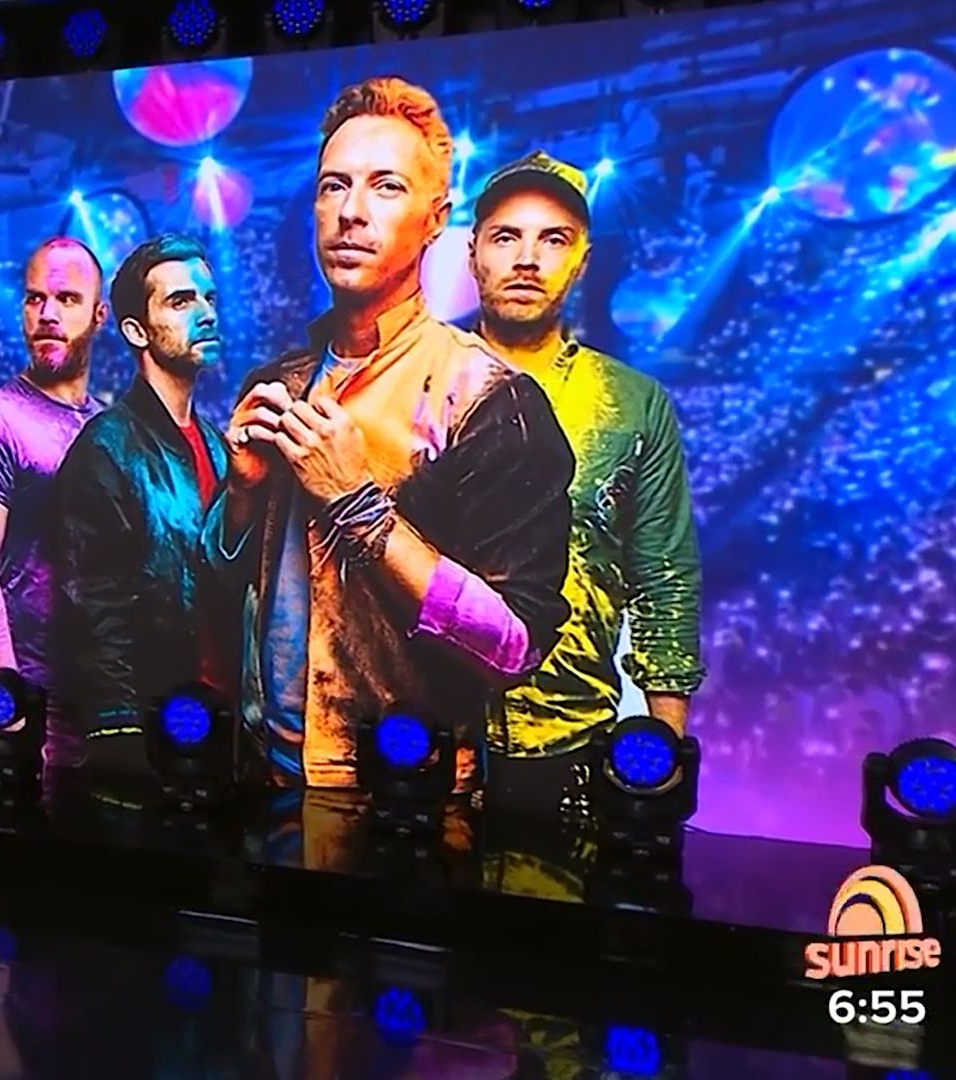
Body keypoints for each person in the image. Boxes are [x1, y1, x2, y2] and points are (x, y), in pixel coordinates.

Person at [209, 77, 575, 790]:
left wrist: (360, 506)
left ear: (436, 218)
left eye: (385, 187)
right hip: (260, 775)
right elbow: (223, 594)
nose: (351, 212)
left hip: (407, 795)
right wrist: (243, 496)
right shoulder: (279, 382)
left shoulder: (490, 398)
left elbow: (512, 650)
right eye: (333, 186)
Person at [469, 151, 705, 806]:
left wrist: (662, 749)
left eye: (553, 240)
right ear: (473, 251)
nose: (527, 259)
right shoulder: (411, 379)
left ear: (582, 260)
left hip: (573, 739)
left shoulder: (632, 403)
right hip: (420, 737)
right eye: (506, 237)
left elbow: (663, 574)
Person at [53, 234, 233, 771]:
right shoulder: (106, 448)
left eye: (209, 298)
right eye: (180, 301)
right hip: (152, 734)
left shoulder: (218, 445)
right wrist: (119, 734)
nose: (205, 313)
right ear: (136, 330)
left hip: (222, 727)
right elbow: (93, 608)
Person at [0, 237, 107, 720]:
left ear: (99, 315)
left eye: (67, 299)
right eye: (35, 298)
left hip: (102, 695)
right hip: (36, 701)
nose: (47, 315)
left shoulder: (106, 424)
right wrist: (10, 705)